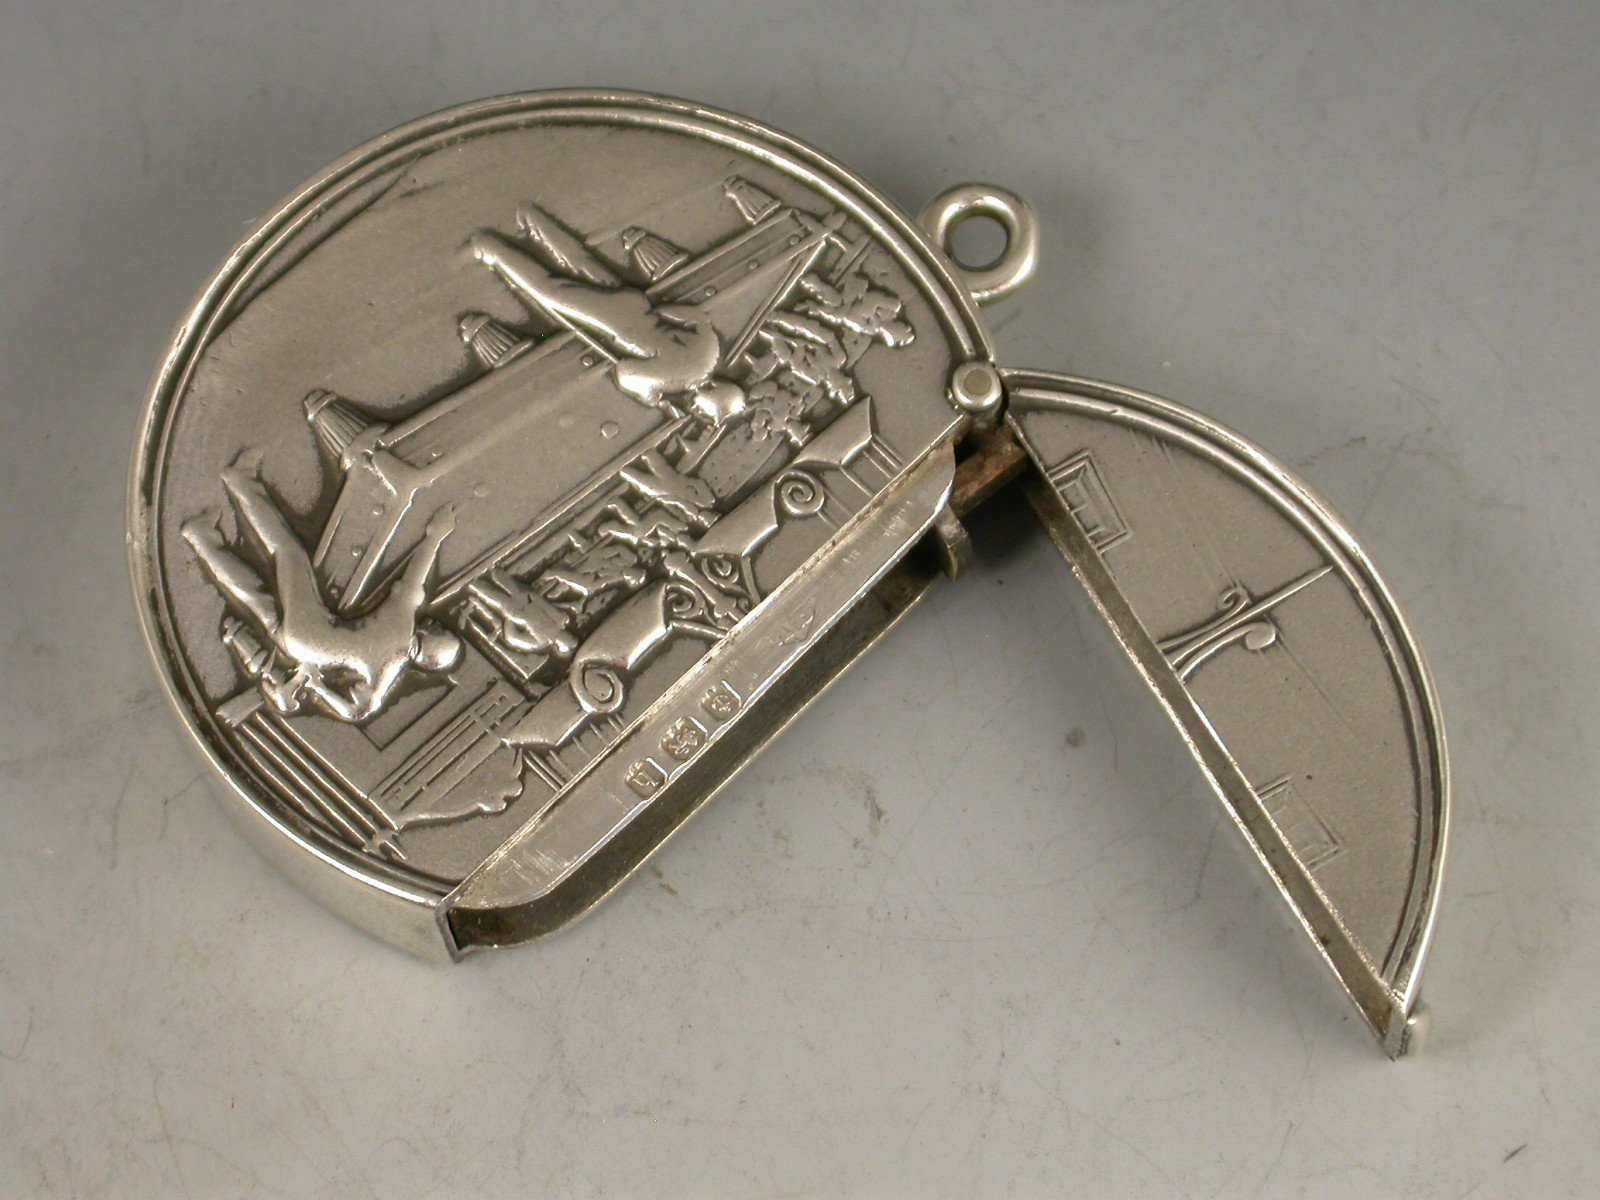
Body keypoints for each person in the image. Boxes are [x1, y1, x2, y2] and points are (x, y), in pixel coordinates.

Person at [183, 452, 462, 722]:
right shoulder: (388, 671)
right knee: (252, 592)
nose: (438, 624)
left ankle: (241, 480)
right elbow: (360, 711)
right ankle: (201, 536)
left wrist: (434, 537)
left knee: (288, 551)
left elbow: (414, 581)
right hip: (304, 649)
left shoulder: (401, 626)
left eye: (442, 631)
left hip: (312, 630)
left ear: (432, 642)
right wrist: (319, 688)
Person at [468, 203, 746, 424]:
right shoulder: (674, 379)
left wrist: (659, 311)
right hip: (610, 319)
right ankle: (489, 248)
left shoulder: (710, 352)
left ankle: (530, 215)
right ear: (714, 395)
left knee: (578, 259)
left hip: (635, 303)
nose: (700, 413)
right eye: (708, 412)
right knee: (546, 289)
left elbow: (699, 318)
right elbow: (625, 373)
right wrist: (653, 398)